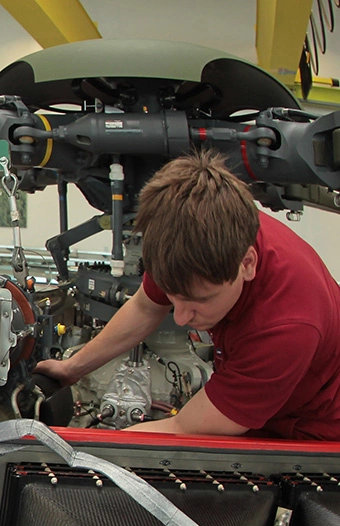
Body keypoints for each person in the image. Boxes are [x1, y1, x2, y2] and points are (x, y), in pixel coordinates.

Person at [36, 150, 340, 439]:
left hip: (315, 429)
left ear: (247, 264)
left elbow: (185, 427)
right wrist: (70, 369)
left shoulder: (286, 325)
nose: (181, 318)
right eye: (174, 297)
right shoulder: (187, 239)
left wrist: (79, 453)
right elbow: (144, 307)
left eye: (200, 301)